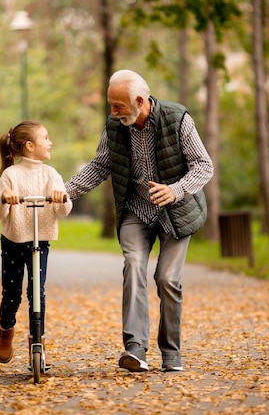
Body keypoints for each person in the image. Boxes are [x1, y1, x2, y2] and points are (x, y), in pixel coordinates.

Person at [65, 70, 213, 373]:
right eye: (110, 105)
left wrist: (175, 190)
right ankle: (135, 348)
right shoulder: (115, 127)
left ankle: (171, 353)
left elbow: (204, 166)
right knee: (133, 265)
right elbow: (100, 166)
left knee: (167, 279)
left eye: (118, 106)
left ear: (140, 101)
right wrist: (64, 191)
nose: (113, 112)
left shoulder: (178, 119)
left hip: (177, 209)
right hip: (136, 209)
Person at [0, 120, 72, 370]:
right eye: (45, 138)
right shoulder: (11, 175)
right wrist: (5, 198)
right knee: (12, 293)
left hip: (40, 242)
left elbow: (65, 209)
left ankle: (38, 342)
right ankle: (6, 330)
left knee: (37, 292)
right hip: (14, 241)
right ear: (29, 145)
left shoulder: (51, 174)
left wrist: (62, 196)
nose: (50, 142)